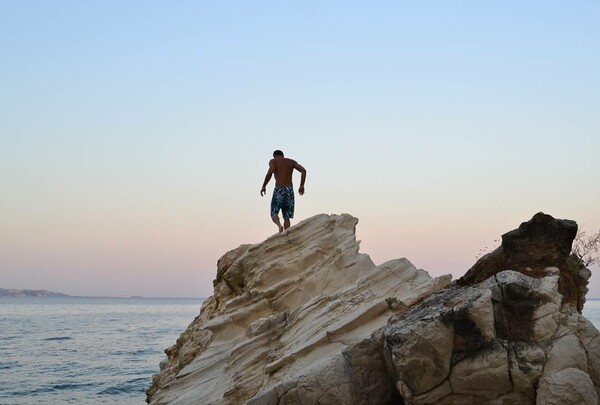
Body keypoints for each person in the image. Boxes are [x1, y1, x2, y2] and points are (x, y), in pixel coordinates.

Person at [260, 150, 307, 232]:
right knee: (287, 216)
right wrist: (302, 185)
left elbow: (270, 172)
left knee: (274, 213)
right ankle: (287, 233)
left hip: (279, 189)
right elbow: (303, 170)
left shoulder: (273, 161)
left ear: (275, 155)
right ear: (282, 155)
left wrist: (264, 186)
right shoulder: (291, 162)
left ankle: (279, 226)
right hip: (289, 190)